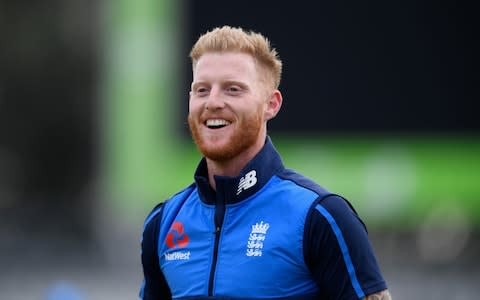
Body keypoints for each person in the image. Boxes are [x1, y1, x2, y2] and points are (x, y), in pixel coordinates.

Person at [140, 25, 391, 300]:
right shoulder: (163, 222)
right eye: (201, 90)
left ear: (271, 104)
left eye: (232, 89)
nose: (212, 102)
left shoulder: (322, 216)